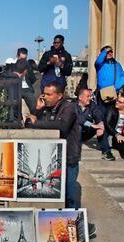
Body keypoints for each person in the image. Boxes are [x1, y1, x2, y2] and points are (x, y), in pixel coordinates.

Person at [24, 81, 80, 209]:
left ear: (59, 96)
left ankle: (75, 218)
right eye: (44, 94)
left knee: (69, 194)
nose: (45, 97)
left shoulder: (69, 107)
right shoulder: (46, 108)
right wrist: (38, 109)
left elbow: (62, 126)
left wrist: (36, 122)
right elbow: (30, 123)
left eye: (49, 95)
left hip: (68, 156)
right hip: (52, 158)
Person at [76, 88, 114, 160]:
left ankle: (106, 152)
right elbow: (77, 118)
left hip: (87, 132)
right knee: (78, 126)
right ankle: (76, 152)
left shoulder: (92, 105)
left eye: (90, 96)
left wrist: (100, 125)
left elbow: (98, 115)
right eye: (88, 96)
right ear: (80, 97)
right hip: (74, 134)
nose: (90, 98)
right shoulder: (72, 105)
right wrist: (91, 125)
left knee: (101, 127)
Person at [17, 48, 38, 115]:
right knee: (15, 104)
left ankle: (34, 119)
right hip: (16, 88)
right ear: (17, 56)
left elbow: (33, 79)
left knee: (33, 104)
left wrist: (28, 72)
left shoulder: (28, 66)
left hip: (27, 89)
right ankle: (18, 120)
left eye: (24, 59)